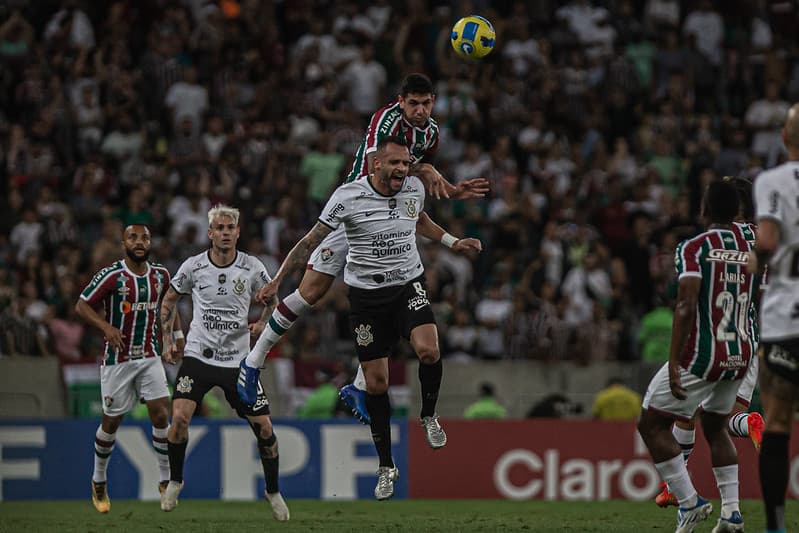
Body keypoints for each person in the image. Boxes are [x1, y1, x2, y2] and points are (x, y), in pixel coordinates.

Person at [238, 73, 489, 426]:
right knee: (310, 292)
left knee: (390, 290)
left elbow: (408, 181)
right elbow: (381, 162)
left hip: (390, 216)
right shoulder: (386, 119)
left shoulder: (431, 132)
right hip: (357, 210)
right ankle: (252, 363)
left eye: (426, 103)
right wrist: (427, 167)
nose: (419, 110)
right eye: (413, 103)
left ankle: (358, 386)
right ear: (401, 101)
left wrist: (448, 188)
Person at [241, 137, 482, 500]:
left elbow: (420, 219)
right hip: (367, 298)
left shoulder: (413, 187)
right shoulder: (347, 197)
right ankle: (386, 466)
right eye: (396, 164)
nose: (403, 169)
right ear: (376, 166)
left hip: (407, 285)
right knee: (378, 384)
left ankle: (428, 416)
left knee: (428, 350)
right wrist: (277, 278)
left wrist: (453, 242)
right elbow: (310, 241)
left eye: (406, 163)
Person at [637, 179, 760, 533]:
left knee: (650, 422)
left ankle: (689, 501)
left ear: (705, 209)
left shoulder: (694, 247)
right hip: (742, 349)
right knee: (716, 426)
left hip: (704, 353)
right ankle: (731, 514)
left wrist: (675, 360)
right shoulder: (754, 248)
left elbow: (686, 303)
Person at [158, 205, 289, 521]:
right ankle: (175, 480)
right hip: (198, 356)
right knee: (179, 420)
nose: (226, 232)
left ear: (238, 232)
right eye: (220, 227)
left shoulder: (252, 267)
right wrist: (168, 340)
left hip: (238, 363)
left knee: (265, 429)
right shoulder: (193, 267)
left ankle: (272, 491)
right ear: (211, 233)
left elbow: (273, 299)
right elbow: (169, 299)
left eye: (231, 227)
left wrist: (263, 324)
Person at [75, 224, 181, 513]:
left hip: (149, 356)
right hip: (117, 360)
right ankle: (98, 479)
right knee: (111, 422)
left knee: (161, 413)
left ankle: (163, 479)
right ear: (123, 243)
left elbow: (169, 306)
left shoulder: (161, 275)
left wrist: (176, 338)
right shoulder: (112, 276)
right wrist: (105, 326)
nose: (139, 242)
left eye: (144, 237)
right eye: (133, 237)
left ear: (150, 242)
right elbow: (82, 306)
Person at [747, 103, 799, 533]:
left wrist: (752, 260)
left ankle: (776, 526)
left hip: (786, 319)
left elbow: (766, 240)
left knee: (779, 421)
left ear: (784, 138)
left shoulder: (773, 180)